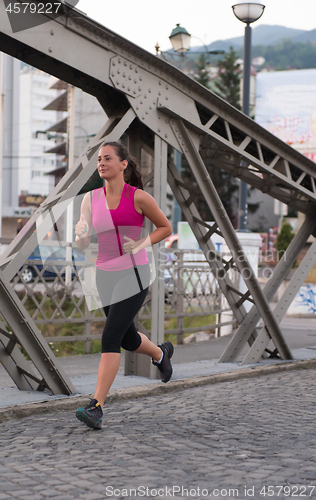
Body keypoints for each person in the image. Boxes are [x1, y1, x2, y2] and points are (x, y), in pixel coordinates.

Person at [75, 141, 173, 429]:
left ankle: (96, 407)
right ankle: (160, 353)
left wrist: (142, 242)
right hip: (104, 273)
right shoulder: (90, 199)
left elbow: (164, 227)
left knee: (110, 338)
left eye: (107, 159)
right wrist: (80, 233)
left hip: (135, 272)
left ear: (123, 164)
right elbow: (82, 242)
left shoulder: (139, 197)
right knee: (128, 339)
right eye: (99, 160)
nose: (101, 163)